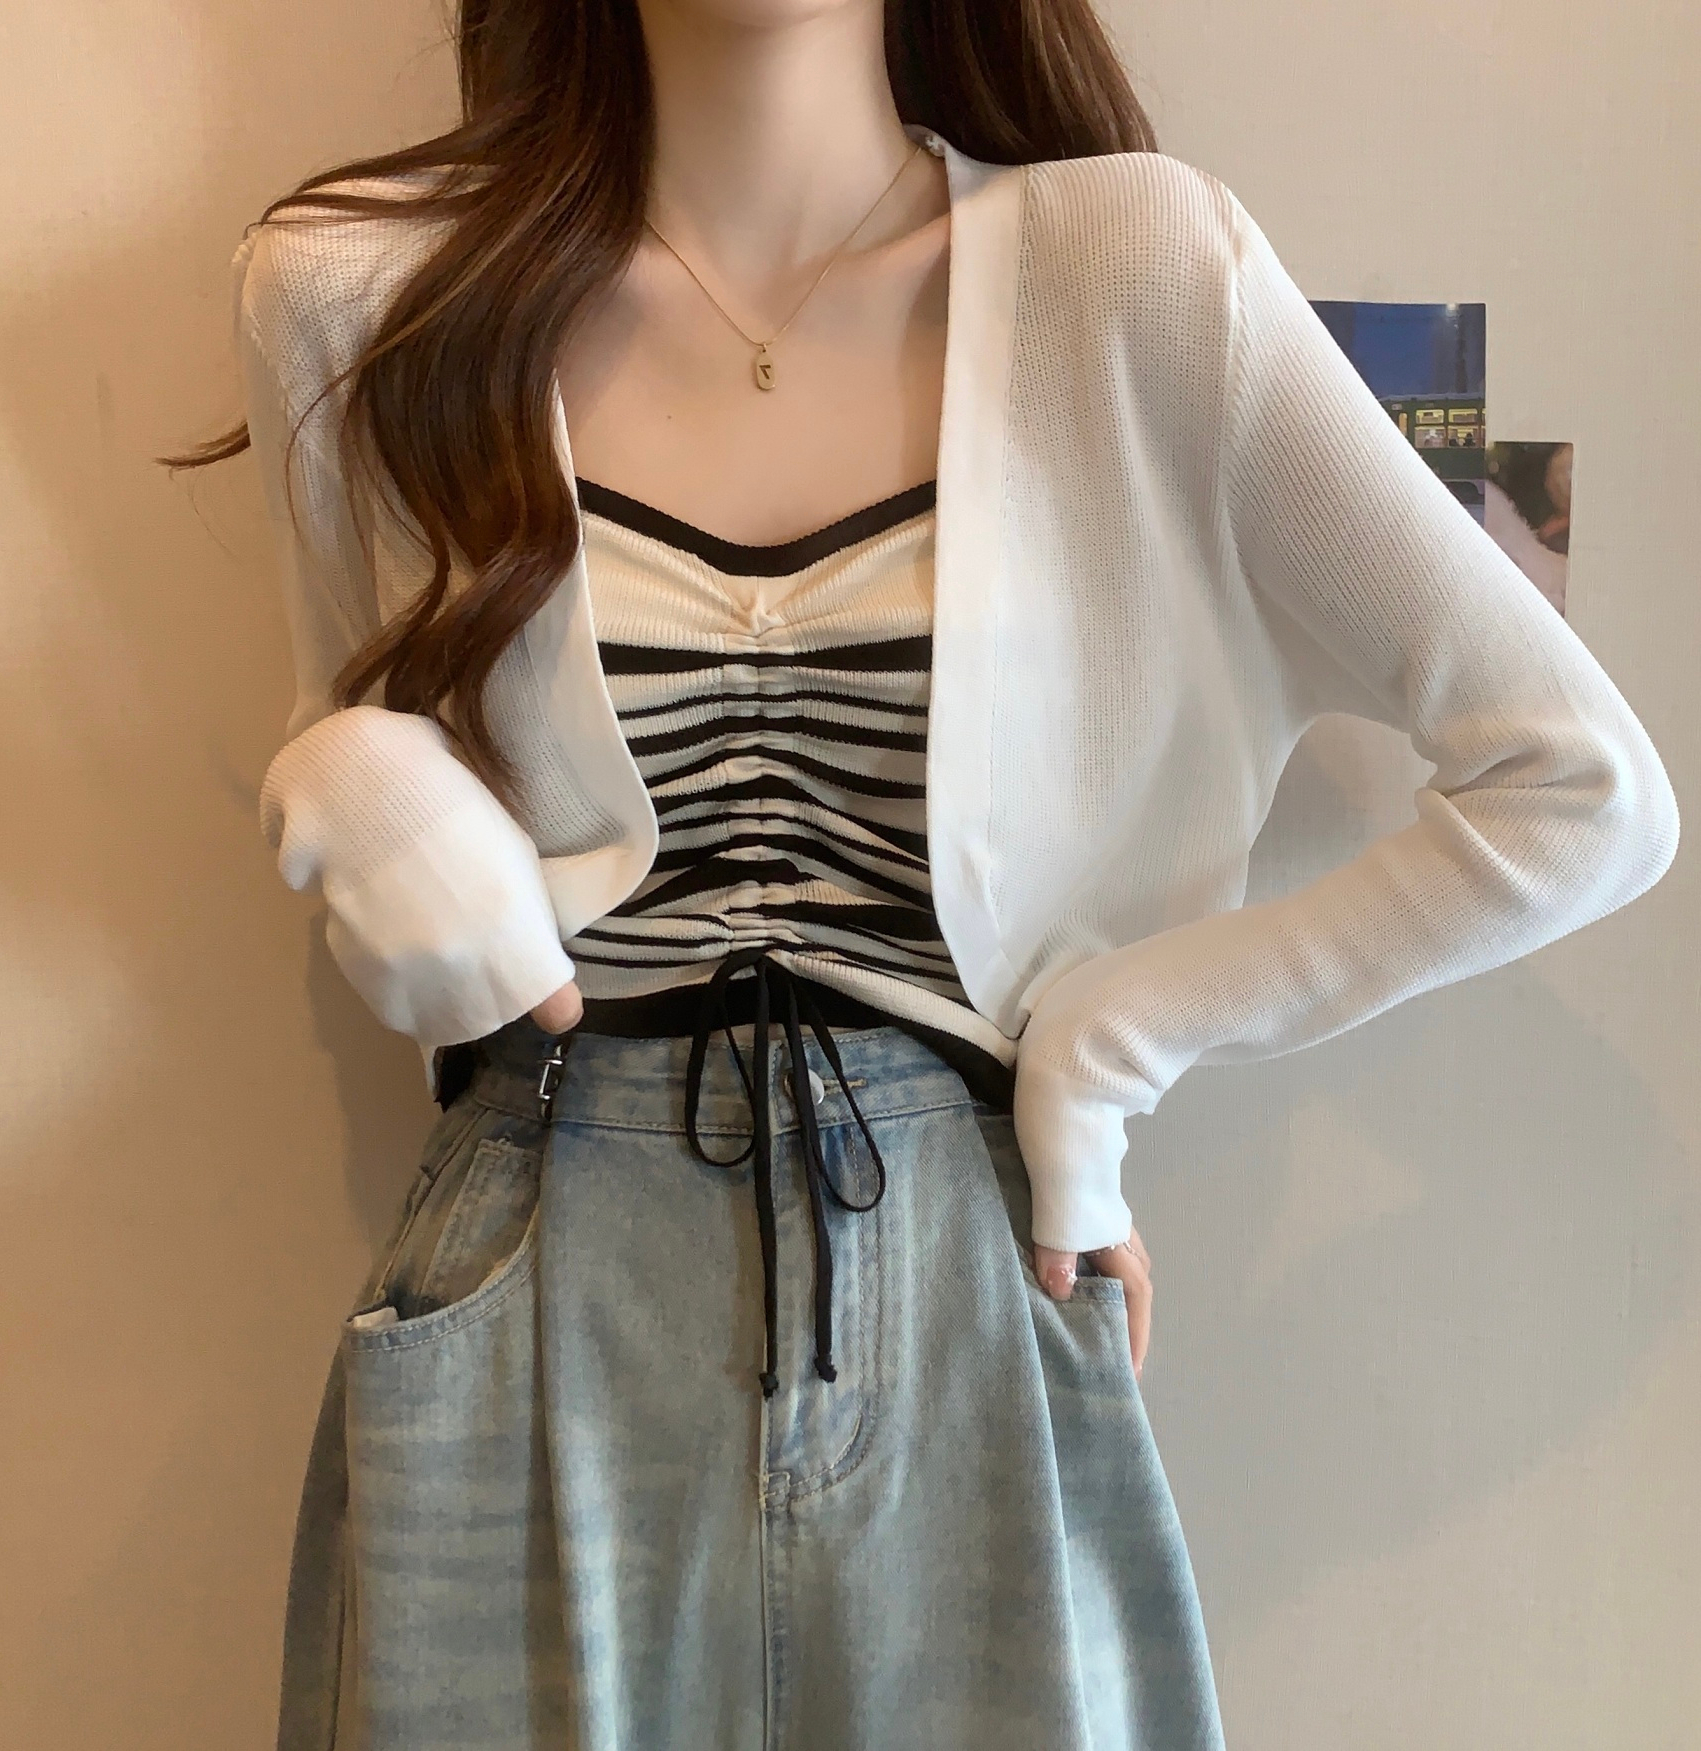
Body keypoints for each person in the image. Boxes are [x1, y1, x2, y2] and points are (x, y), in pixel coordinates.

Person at [163, 2, 1678, 1746]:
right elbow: (348, 704)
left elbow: (1578, 791)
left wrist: (1113, 1042)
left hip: (971, 1244)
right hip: (532, 1244)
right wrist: (346, 774)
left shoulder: (1137, 269)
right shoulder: (358, 294)